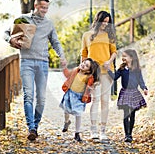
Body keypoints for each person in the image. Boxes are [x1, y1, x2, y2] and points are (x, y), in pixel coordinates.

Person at [3, 0, 67, 141]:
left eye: (46, 8)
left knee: (42, 99)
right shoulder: (23, 19)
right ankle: (31, 127)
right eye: (42, 7)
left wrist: (61, 56)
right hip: (26, 62)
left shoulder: (49, 24)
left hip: (43, 64)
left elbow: (55, 42)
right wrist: (10, 40)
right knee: (28, 95)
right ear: (36, 6)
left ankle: (35, 127)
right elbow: (6, 33)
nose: (44, 10)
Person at [80, 10, 117, 140]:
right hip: (93, 73)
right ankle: (93, 130)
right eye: (103, 22)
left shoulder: (110, 35)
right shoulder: (87, 35)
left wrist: (109, 61)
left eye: (108, 22)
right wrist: (83, 71)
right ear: (97, 20)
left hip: (107, 72)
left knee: (105, 101)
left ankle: (103, 131)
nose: (105, 24)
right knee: (95, 100)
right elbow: (84, 54)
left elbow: (114, 52)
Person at [105, 49, 148, 143]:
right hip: (125, 93)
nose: (123, 58)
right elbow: (114, 77)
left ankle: (130, 134)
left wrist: (144, 88)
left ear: (132, 58)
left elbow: (140, 80)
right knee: (126, 114)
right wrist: (108, 70)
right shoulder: (122, 69)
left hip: (134, 93)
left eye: (125, 56)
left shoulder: (136, 70)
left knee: (132, 114)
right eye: (123, 56)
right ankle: (126, 135)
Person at [59, 58, 100, 142]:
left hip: (79, 98)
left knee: (78, 114)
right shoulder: (75, 71)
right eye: (84, 63)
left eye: (86, 65)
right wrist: (64, 67)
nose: (83, 64)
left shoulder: (88, 77)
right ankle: (67, 122)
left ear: (88, 71)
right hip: (70, 94)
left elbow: (90, 86)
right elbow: (67, 75)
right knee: (66, 111)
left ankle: (77, 133)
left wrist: (93, 88)